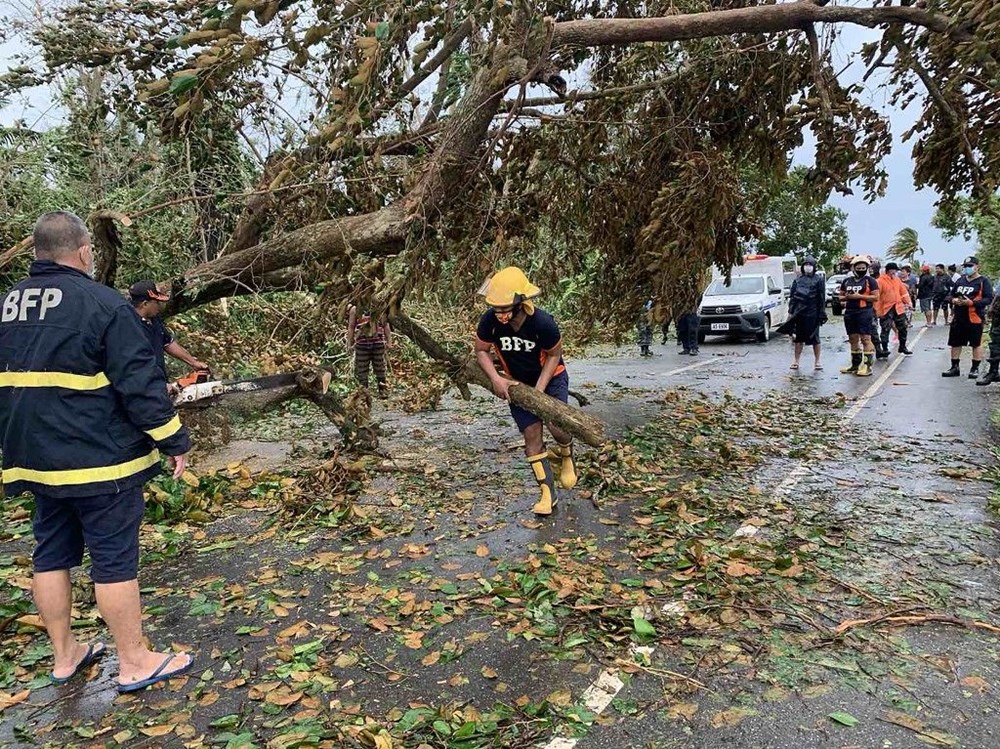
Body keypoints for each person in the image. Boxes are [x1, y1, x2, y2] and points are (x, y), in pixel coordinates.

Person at [0, 212, 193, 692]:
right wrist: (173, 439)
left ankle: (65, 657)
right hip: (98, 459)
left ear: (36, 252)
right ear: (85, 250)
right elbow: (140, 385)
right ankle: (135, 661)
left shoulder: (6, 304)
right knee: (113, 558)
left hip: (33, 458)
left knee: (50, 554)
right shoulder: (103, 304)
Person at [474, 267, 576, 516]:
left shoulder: (543, 323)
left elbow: (554, 354)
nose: (500, 315)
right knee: (531, 435)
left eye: (505, 309)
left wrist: (540, 392)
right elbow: (480, 350)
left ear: (521, 304)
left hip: (551, 378)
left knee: (557, 426)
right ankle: (547, 494)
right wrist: (496, 379)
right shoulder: (489, 322)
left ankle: (566, 454)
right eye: (496, 309)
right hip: (517, 383)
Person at [129, 281, 209, 381]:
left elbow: (167, 343)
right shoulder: (129, 327)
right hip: (143, 385)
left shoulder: (154, 319)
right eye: (156, 302)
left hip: (159, 382)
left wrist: (193, 362)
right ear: (145, 304)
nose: (159, 305)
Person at [943, 255, 994, 378]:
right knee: (955, 342)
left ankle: (974, 368)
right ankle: (954, 367)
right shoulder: (960, 280)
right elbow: (949, 295)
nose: (967, 268)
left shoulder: (983, 281)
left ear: (977, 267)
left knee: (976, 343)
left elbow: (988, 299)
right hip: (959, 317)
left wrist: (972, 303)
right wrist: (953, 300)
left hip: (974, 316)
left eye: (970, 266)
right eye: (965, 266)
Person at [839, 255, 880, 376]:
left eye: (863, 267)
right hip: (850, 312)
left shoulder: (870, 281)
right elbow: (840, 296)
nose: (861, 269)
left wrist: (860, 296)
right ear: (853, 267)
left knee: (865, 338)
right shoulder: (847, 281)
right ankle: (855, 365)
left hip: (865, 312)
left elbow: (876, 297)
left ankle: (867, 366)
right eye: (858, 267)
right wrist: (847, 296)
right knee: (853, 339)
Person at [787, 256, 826, 370]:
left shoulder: (818, 279)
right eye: (806, 264)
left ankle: (817, 361)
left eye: (810, 265)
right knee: (798, 339)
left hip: (813, 313)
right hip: (799, 313)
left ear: (814, 267)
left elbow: (821, 297)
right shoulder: (798, 280)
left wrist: (821, 313)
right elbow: (792, 297)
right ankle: (796, 361)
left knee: (815, 338)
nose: (808, 267)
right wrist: (790, 312)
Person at [347, 305, 392, 398]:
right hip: (361, 345)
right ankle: (364, 392)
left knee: (380, 367)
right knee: (362, 368)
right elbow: (351, 327)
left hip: (378, 344)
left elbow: (386, 325)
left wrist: (389, 342)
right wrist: (349, 343)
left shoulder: (379, 308)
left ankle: (382, 389)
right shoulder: (355, 310)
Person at [874, 262, 913, 359]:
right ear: (888, 270)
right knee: (885, 329)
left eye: (896, 270)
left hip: (898, 307)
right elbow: (877, 298)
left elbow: (903, 292)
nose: (895, 272)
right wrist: (878, 311)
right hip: (886, 308)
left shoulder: (897, 280)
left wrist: (908, 303)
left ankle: (902, 346)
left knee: (903, 327)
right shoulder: (880, 281)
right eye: (894, 270)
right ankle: (885, 348)